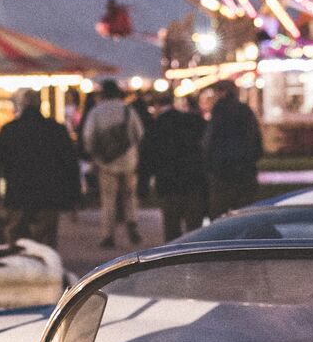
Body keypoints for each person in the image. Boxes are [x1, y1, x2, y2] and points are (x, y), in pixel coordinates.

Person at [0, 88, 81, 247]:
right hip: (48, 195)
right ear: (40, 105)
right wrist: (74, 197)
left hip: (17, 194)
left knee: (16, 240)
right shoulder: (56, 129)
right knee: (45, 243)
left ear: (21, 106)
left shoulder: (10, 130)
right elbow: (70, 164)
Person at [77, 78, 144, 249]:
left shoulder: (96, 111)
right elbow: (139, 133)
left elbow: (88, 136)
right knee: (129, 195)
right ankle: (131, 221)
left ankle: (108, 234)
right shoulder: (127, 109)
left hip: (105, 162)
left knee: (108, 199)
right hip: (128, 160)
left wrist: (94, 154)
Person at [141, 90, 209, 239]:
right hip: (193, 181)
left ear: (157, 106)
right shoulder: (192, 120)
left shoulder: (156, 125)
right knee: (195, 230)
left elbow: (147, 156)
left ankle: (174, 253)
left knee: (172, 228)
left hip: (168, 183)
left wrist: (144, 184)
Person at [203, 78, 265, 216]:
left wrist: (209, 164)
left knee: (219, 216)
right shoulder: (245, 111)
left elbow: (209, 141)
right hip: (245, 171)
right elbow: (256, 139)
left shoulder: (218, 112)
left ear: (222, 93)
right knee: (245, 215)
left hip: (222, 173)